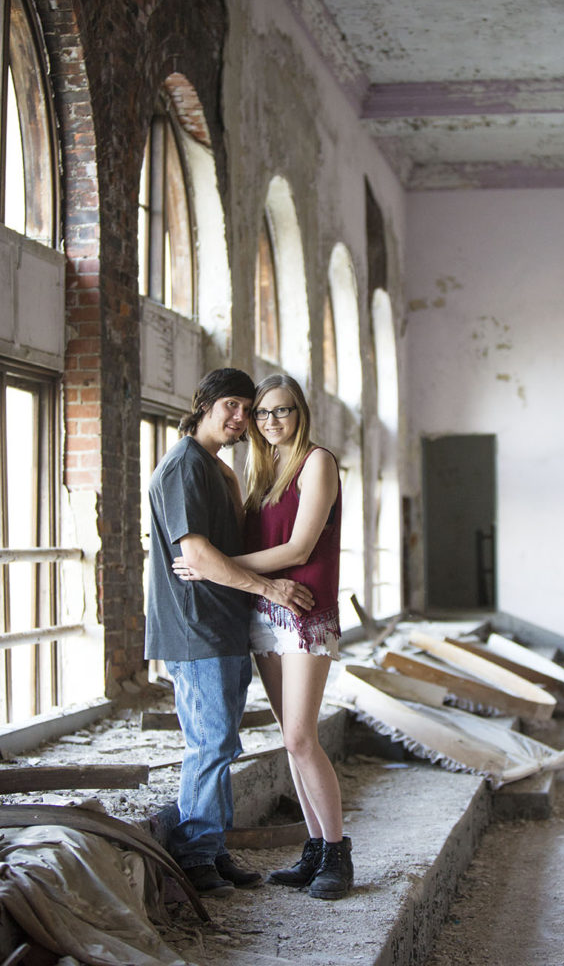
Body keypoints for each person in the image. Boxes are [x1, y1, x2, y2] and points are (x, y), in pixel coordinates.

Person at [175, 372, 353, 900]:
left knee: (302, 736)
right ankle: (315, 848)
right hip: (265, 612)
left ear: (301, 414)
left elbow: (300, 549)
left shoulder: (316, 461)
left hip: (304, 611)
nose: (273, 421)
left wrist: (214, 566)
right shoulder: (259, 468)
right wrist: (237, 577)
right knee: (290, 739)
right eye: (264, 413)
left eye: (284, 411)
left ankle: (339, 854)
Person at [145, 367, 314, 898]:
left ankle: (212, 848)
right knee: (210, 743)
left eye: (251, 408)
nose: (242, 418)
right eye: (232, 406)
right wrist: (272, 589)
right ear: (204, 404)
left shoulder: (217, 469)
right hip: (195, 628)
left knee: (222, 742)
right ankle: (194, 859)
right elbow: (193, 555)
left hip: (223, 625)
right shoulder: (182, 468)